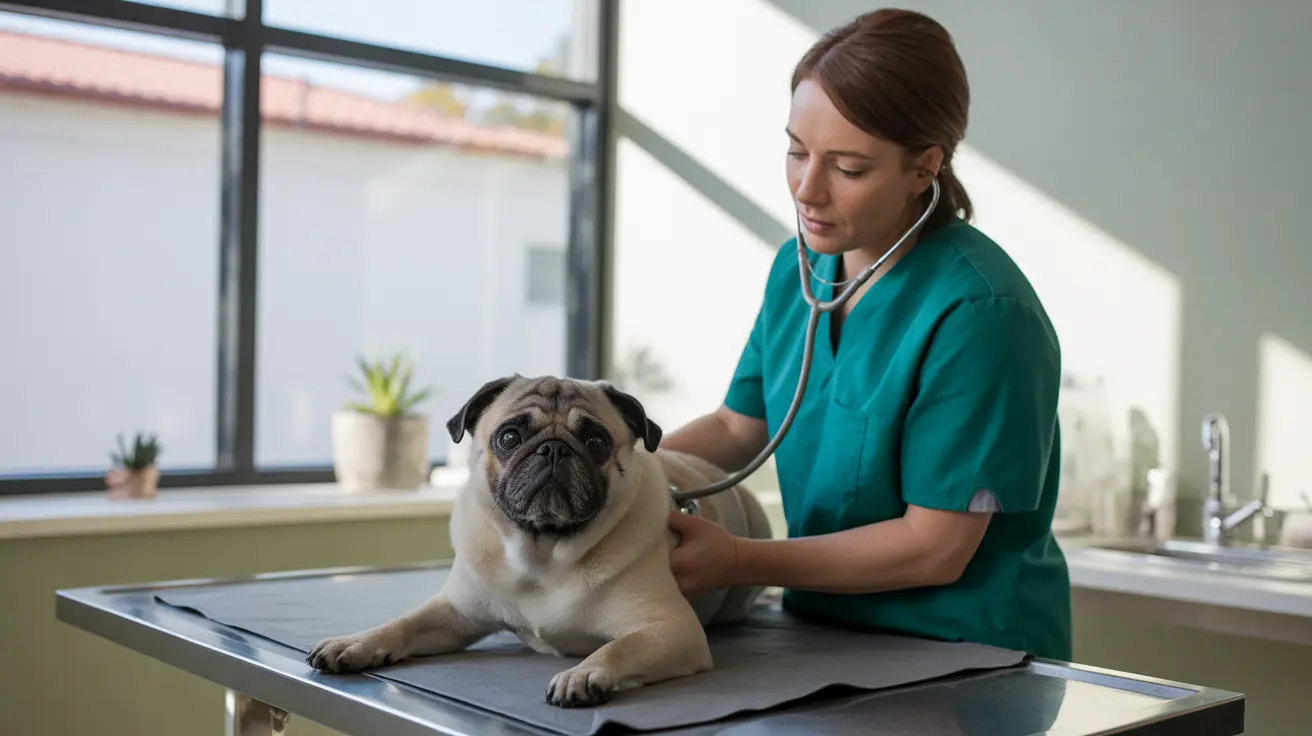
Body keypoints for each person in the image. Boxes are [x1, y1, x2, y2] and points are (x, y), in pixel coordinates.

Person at [661, 8, 1072, 662]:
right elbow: (739, 427)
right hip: (823, 637)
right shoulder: (797, 270)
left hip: (968, 657)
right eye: (797, 151)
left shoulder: (981, 313)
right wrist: (613, 465)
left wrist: (738, 559)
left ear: (924, 167)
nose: (807, 190)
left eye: (848, 168)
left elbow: (934, 548)